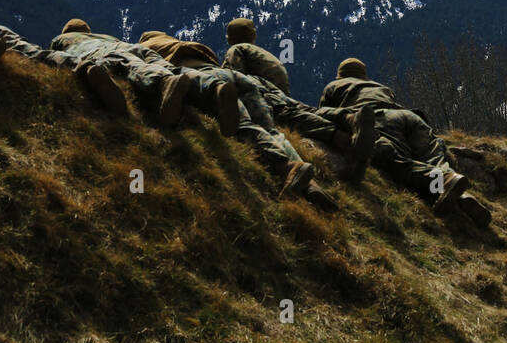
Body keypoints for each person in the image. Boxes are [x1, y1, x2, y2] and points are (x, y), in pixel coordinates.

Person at [133, 30, 341, 211]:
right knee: (272, 130)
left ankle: (286, 167)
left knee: (243, 125)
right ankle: (310, 181)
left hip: (206, 77)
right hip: (237, 78)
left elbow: (148, 73)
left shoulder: (149, 49)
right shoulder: (185, 45)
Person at [318, 58, 492, 227]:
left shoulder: (334, 86)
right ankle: (459, 194)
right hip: (410, 118)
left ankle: (444, 179)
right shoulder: (380, 87)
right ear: (363, 74)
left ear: (340, 75)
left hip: (380, 119)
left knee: (397, 162)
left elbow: (323, 114)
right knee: (433, 158)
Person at [49, 21, 218, 131]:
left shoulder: (61, 39)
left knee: (130, 65)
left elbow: (53, 57)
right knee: (169, 67)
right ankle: (213, 87)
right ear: (87, 30)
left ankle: (164, 82)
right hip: (132, 47)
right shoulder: (105, 36)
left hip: (102, 52)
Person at [221, 18, 291, 94]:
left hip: (267, 94)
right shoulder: (259, 53)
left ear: (230, 39)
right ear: (253, 36)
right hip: (282, 95)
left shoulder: (237, 49)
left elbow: (231, 76)